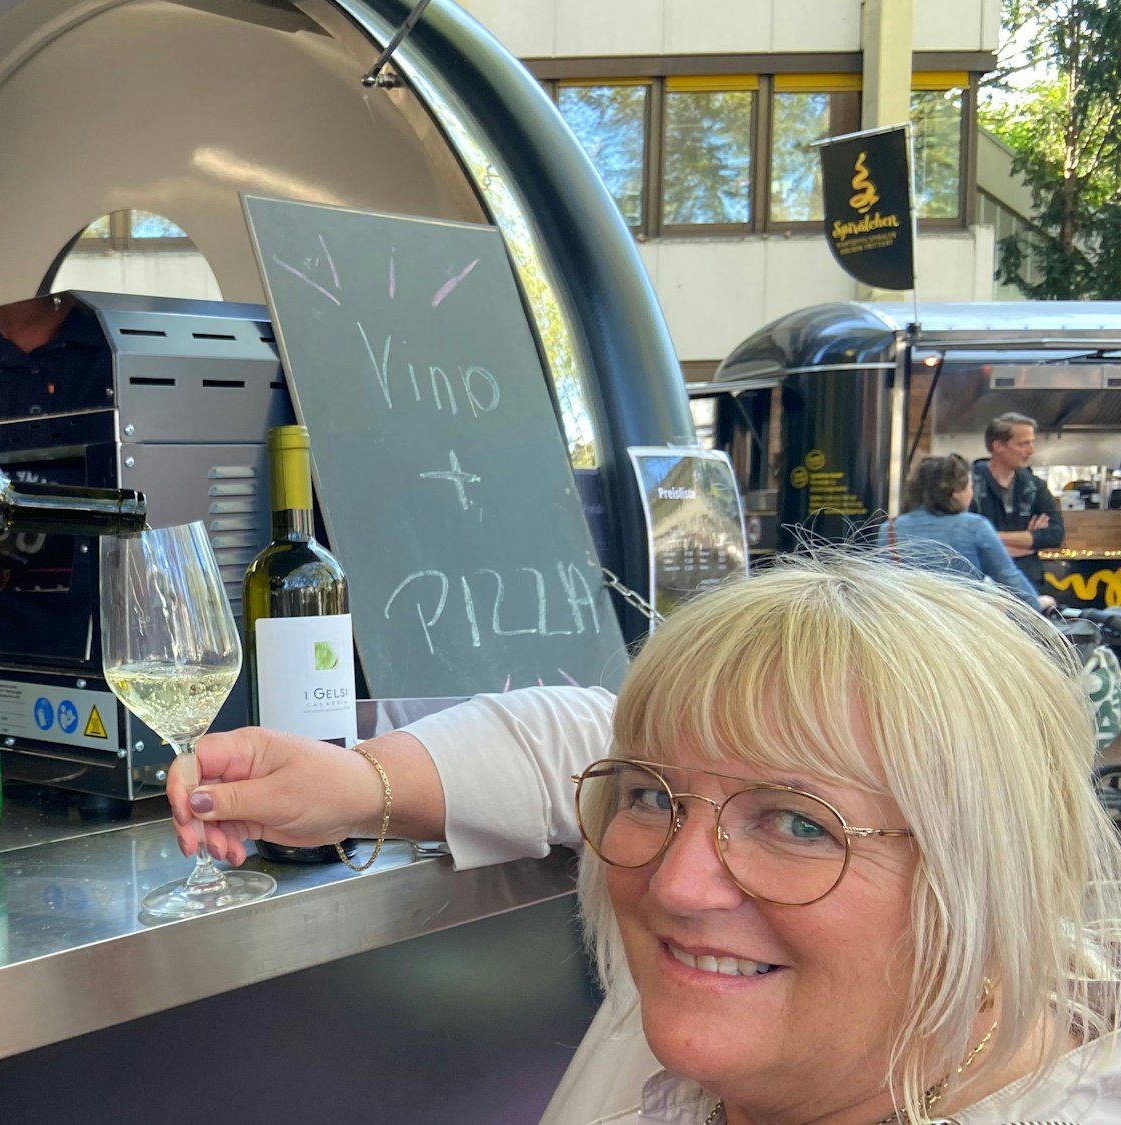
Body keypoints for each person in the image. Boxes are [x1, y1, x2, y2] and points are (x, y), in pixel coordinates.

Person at [170, 555, 1121, 1123]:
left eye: (797, 822)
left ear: (982, 877)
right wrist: (361, 781)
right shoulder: (727, 989)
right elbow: (585, 732)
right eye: (655, 797)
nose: (679, 883)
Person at [889, 453, 1045, 611]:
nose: (972, 494)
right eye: (970, 487)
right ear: (956, 492)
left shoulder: (890, 528)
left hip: (907, 626)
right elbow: (1011, 581)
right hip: (962, 626)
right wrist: (1038, 604)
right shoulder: (975, 527)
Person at [970, 411, 1064, 590]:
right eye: (1023, 444)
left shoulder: (1035, 486)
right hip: (981, 586)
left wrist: (990, 541)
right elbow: (964, 537)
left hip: (1028, 583)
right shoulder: (968, 484)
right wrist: (1027, 542)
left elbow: (1054, 535)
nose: (1031, 450)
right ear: (998, 446)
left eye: (1032, 443)